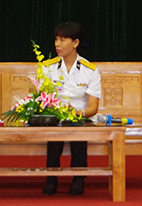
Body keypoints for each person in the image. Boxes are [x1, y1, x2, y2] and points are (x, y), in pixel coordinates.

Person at [42, 21, 101, 195]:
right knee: (54, 128)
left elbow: (93, 108)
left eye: (62, 40)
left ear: (75, 43)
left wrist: (78, 112)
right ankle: (51, 176)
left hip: (81, 116)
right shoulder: (48, 68)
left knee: (78, 127)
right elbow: (43, 99)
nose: (57, 44)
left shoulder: (90, 70)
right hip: (56, 115)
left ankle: (78, 177)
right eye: (56, 39)